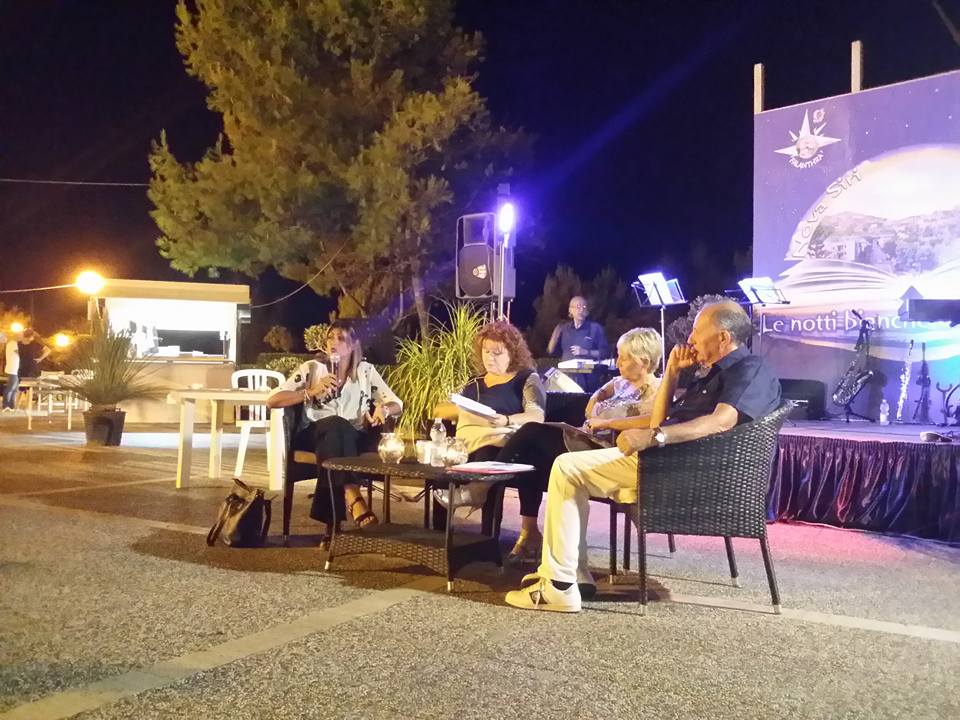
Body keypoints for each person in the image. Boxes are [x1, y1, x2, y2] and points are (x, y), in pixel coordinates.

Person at [504, 301, 782, 612]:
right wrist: (672, 373)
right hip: (668, 463)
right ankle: (571, 577)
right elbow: (658, 421)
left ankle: (559, 585)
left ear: (723, 337)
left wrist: (655, 437)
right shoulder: (710, 374)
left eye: (696, 331)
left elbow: (721, 421)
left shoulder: (750, 369)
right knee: (565, 465)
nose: (690, 339)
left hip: (683, 472)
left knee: (567, 468)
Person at [495, 327, 663, 564]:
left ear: (643, 362)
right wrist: (597, 397)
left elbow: (653, 421)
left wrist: (607, 422)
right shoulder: (620, 383)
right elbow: (591, 405)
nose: (618, 362)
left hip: (607, 452)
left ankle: (486, 484)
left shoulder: (657, 390)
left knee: (532, 431)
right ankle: (529, 531)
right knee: (533, 459)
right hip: (586, 440)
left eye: (624, 358)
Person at [267, 323, 402, 544]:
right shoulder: (312, 369)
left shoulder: (365, 372)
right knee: (334, 427)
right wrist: (311, 392)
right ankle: (352, 494)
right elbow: (273, 400)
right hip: (314, 434)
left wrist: (384, 409)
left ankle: (332, 528)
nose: (334, 343)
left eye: (341, 338)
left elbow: (397, 403)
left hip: (351, 437)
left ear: (353, 345)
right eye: (330, 337)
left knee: (339, 433)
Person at [433, 320, 546, 508]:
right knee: (442, 473)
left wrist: (506, 420)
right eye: (486, 352)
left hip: (503, 445)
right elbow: (440, 410)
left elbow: (536, 415)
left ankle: (483, 512)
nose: (490, 358)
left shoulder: (526, 378)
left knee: (487, 455)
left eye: (497, 353)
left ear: (512, 353)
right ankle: (439, 525)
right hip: (466, 444)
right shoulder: (474, 382)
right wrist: (463, 412)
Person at [547, 296, 610, 391]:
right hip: (566, 380)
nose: (581, 310)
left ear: (587, 311)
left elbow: (605, 352)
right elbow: (552, 352)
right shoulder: (564, 329)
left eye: (584, 307)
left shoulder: (595, 328)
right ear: (570, 310)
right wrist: (554, 335)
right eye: (578, 307)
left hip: (589, 381)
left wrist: (586, 352)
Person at [2, 330, 21, 412]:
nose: (21, 338)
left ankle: (11, 406)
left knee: (15, 389)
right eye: (20, 336)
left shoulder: (13, 343)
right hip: (13, 369)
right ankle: (6, 405)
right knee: (11, 388)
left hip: (15, 369)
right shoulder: (13, 343)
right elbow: (19, 353)